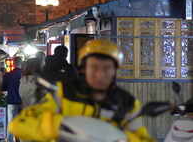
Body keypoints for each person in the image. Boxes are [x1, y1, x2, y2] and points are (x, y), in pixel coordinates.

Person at [8, 39, 154, 142]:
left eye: (107, 68)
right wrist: (54, 126)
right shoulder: (62, 95)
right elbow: (19, 124)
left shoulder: (127, 103)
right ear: (84, 69)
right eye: (94, 67)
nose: (100, 74)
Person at [1, 56, 22, 142]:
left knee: (11, 122)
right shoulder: (25, 74)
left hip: (11, 101)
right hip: (23, 102)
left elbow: (3, 88)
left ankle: (10, 140)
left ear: (13, 63)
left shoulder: (8, 75)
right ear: (22, 63)